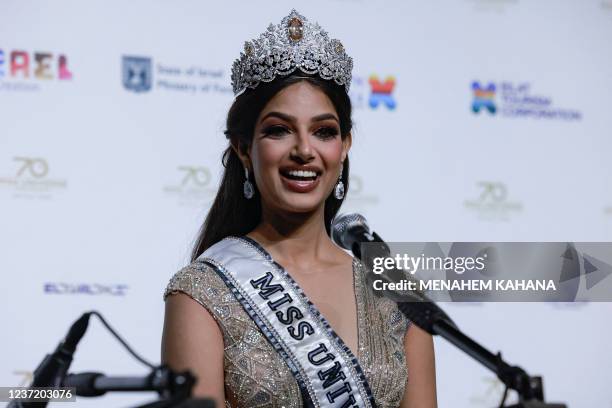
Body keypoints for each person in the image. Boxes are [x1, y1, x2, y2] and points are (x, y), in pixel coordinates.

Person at [162, 10, 437, 408]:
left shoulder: (396, 290)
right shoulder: (203, 291)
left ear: (344, 146)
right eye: (279, 129)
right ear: (244, 149)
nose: (304, 150)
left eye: (323, 131)